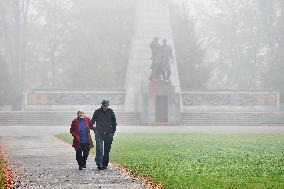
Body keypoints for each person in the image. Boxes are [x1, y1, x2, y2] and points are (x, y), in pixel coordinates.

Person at [90, 100, 117, 170]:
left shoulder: (111, 111)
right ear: (101, 105)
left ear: (108, 105)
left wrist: (112, 132)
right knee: (99, 148)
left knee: (107, 149)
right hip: (99, 133)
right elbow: (92, 121)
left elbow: (114, 123)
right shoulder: (97, 111)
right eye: (104, 105)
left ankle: (105, 164)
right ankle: (99, 163)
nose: (105, 106)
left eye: (107, 105)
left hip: (108, 133)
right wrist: (94, 129)